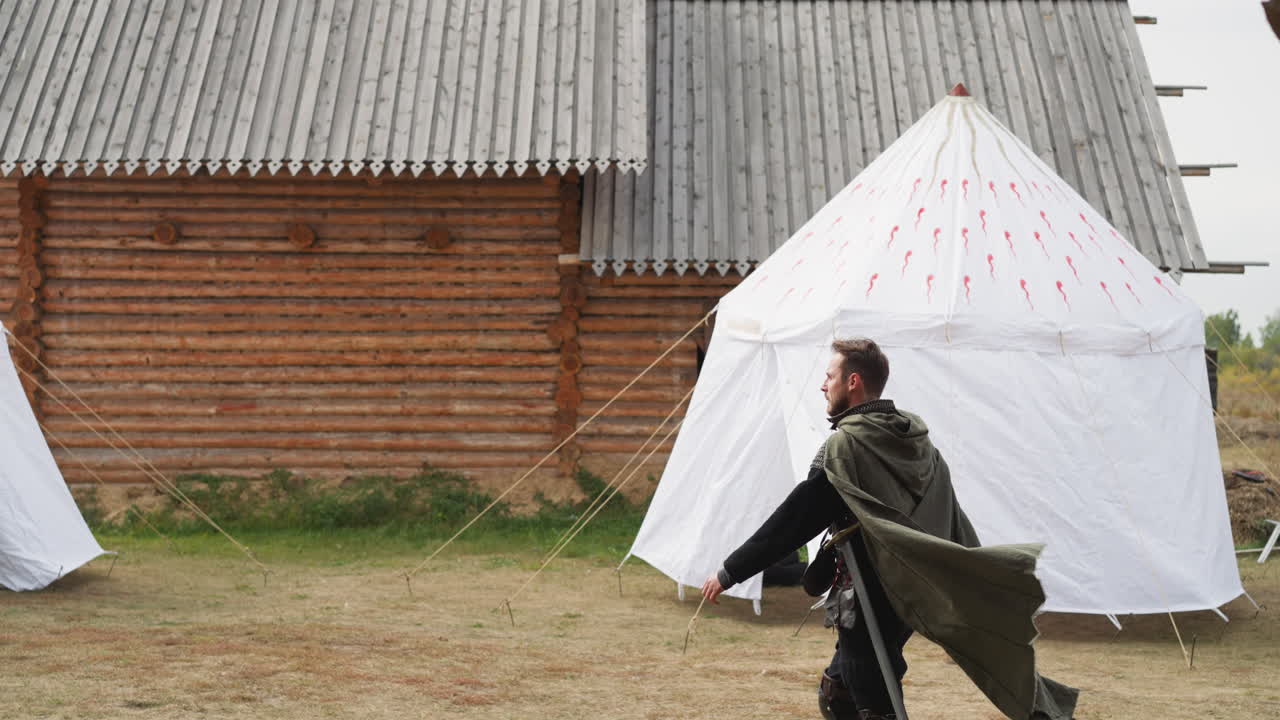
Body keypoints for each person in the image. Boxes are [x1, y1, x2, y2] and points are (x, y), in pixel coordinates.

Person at [700, 338, 1078, 720]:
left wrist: (730, 570)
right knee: (843, 687)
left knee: (865, 695)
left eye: (829, 376)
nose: (822, 384)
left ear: (853, 382)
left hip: (868, 594)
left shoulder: (846, 447)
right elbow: (947, 512)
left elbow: (795, 519)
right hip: (907, 590)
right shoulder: (914, 440)